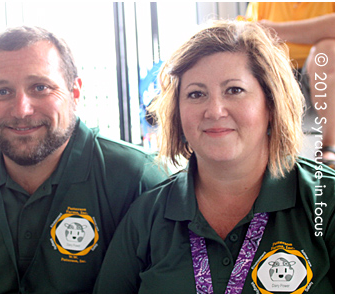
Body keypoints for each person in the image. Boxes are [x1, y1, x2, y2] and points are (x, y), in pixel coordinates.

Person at [0, 26, 167, 293]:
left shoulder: (139, 179)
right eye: (2, 91)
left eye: (40, 87)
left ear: (75, 93)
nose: (21, 110)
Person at [94, 21, 334, 294]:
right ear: (177, 114)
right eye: (196, 94)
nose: (215, 110)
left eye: (234, 90)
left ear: (271, 103)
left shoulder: (327, 202)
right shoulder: (147, 215)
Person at [246, 2, 335, 169]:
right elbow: (252, 33)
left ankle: (329, 147)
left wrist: (274, 30)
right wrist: (315, 31)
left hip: (318, 72)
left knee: (329, 50)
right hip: (277, 72)